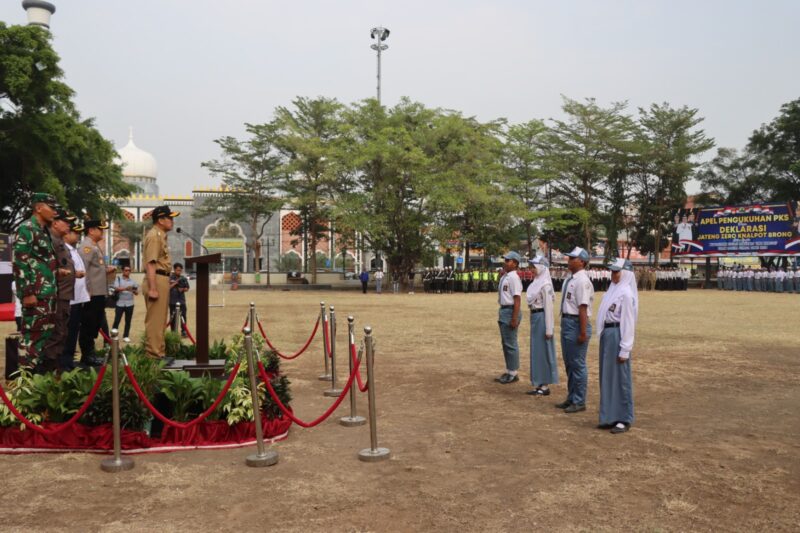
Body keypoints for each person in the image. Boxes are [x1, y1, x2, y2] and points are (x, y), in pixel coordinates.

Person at [13, 193, 58, 370]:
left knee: (44, 337)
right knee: (31, 338)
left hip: (47, 294)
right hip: (35, 295)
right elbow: (19, 261)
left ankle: (36, 379)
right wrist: (27, 293)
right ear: (38, 208)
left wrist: (56, 271)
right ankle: (22, 382)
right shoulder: (27, 228)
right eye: (51, 207)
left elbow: (39, 261)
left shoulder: (43, 230)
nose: (54, 211)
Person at [597, 258, 637, 434]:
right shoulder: (613, 290)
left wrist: (625, 348)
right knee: (607, 377)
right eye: (612, 271)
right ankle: (609, 416)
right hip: (608, 334)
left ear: (626, 273)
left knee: (620, 378)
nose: (612, 274)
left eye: (616, 271)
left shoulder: (626, 293)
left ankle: (623, 418)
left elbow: (629, 322)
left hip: (617, 335)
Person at [557, 247, 594, 413]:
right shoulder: (570, 279)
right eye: (569, 257)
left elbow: (583, 308)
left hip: (576, 323)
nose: (569, 260)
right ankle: (572, 397)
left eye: (573, 258)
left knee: (577, 364)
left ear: (582, 262)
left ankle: (579, 401)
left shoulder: (582, 281)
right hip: (567, 322)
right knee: (569, 364)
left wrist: (583, 331)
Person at [42, 207, 78, 369]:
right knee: (56, 335)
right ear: (55, 223)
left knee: (62, 333)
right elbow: (44, 268)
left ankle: (56, 369)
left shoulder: (60, 242)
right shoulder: (51, 242)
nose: (69, 226)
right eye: (66, 222)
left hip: (64, 295)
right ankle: (50, 371)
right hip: (55, 296)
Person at [143, 205, 179, 361]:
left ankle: (159, 352)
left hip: (162, 278)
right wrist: (152, 288)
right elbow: (151, 263)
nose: (172, 221)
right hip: (156, 279)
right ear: (160, 219)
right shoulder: (154, 236)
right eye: (170, 218)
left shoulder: (160, 235)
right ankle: (153, 355)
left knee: (160, 320)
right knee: (155, 321)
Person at [78, 219, 115, 367]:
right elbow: (84, 270)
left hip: (98, 293)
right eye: (100, 229)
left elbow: (95, 270)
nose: (102, 232)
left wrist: (106, 270)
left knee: (94, 324)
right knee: (88, 325)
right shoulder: (87, 247)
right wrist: (87, 291)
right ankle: (87, 355)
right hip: (92, 294)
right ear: (91, 230)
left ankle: (90, 354)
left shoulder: (94, 246)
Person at [525, 256, 558, 396]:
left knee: (543, 351)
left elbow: (549, 308)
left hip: (542, 318)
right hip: (535, 317)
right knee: (536, 351)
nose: (531, 270)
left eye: (533, 267)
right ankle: (538, 382)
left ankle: (544, 385)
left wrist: (549, 329)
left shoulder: (545, 285)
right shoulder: (536, 283)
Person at [61, 220, 89, 370]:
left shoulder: (72, 250)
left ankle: (69, 361)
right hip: (69, 299)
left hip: (77, 298)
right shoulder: (62, 249)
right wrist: (74, 274)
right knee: (67, 333)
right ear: (67, 234)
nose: (78, 236)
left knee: (73, 333)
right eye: (75, 232)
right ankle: (65, 364)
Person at [495, 251, 523, 384]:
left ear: (515, 263)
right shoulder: (506, 276)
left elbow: (517, 299)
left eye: (508, 260)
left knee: (511, 343)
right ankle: (509, 370)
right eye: (505, 260)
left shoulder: (513, 278)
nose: (505, 262)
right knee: (506, 343)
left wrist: (514, 318)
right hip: (504, 310)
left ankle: (513, 373)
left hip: (511, 310)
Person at [112, 265, 139, 342]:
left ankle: (126, 336)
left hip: (130, 304)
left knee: (128, 321)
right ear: (123, 271)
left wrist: (133, 290)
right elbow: (116, 288)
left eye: (129, 270)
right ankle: (114, 335)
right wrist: (126, 288)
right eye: (126, 270)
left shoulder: (133, 282)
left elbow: (137, 292)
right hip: (119, 303)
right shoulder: (118, 279)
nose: (127, 272)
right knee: (117, 320)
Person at [169, 262, 190, 334]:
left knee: (183, 316)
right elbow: (167, 288)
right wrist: (175, 283)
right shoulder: (170, 278)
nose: (179, 272)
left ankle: (184, 331)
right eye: (178, 270)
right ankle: (173, 332)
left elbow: (187, 288)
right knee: (173, 317)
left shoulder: (183, 278)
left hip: (181, 300)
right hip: (172, 301)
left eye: (180, 270)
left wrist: (183, 289)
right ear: (174, 270)